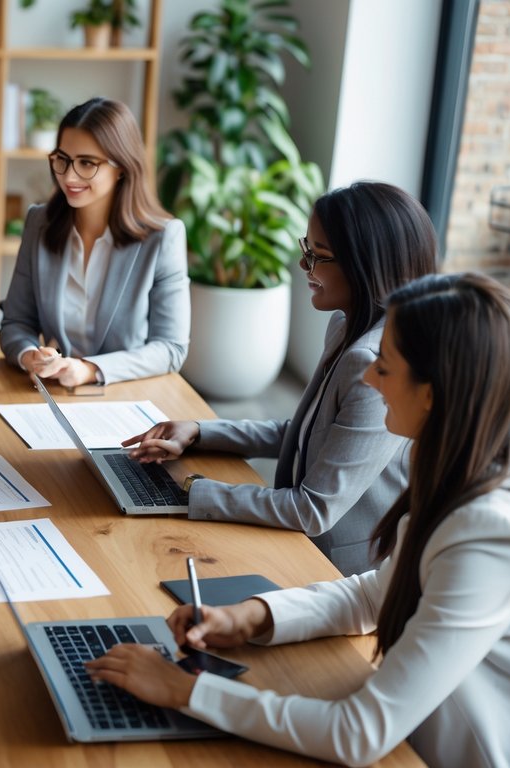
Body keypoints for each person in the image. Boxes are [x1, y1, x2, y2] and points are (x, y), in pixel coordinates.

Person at [88, 272, 510, 768]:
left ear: (433, 394)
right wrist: (251, 615)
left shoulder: (486, 534)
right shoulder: (453, 469)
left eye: (385, 366)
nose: (369, 379)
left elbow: (358, 734)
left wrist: (187, 691)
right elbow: (376, 593)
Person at [124, 182, 436, 575]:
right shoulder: (345, 327)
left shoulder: (374, 364)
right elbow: (307, 433)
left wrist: (190, 490)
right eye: (306, 250)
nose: (304, 266)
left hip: (334, 569)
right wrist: (200, 432)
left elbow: (313, 509)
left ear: (364, 266)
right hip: (297, 539)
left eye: (317, 256)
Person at [0, 97, 188, 386]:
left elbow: (171, 349)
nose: (69, 177)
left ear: (122, 167)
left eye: (87, 163)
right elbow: (16, 323)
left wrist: (89, 369)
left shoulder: (163, 237)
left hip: (127, 395)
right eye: (62, 160)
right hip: (52, 395)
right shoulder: (39, 222)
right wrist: (29, 356)